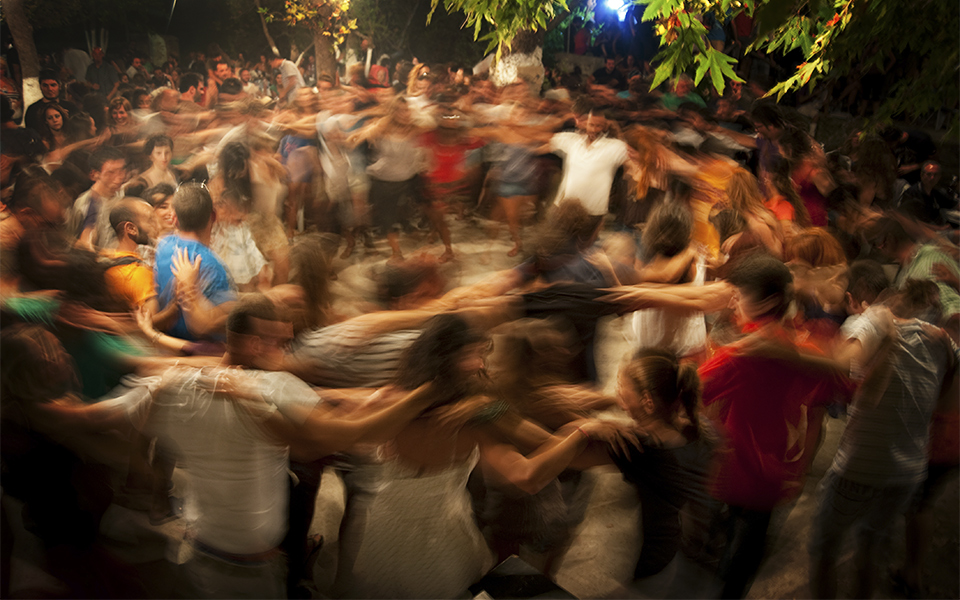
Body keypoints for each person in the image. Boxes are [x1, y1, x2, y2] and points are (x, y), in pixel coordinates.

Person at [698, 253, 854, 598]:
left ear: (768, 300)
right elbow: (845, 385)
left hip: (739, 466)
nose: (733, 301)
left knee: (733, 558)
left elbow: (686, 390)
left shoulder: (745, 352)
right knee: (746, 549)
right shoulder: (798, 342)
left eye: (740, 294)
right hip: (777, 469)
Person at [810, 280, 959, 599]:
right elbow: (948, 398)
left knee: (824, 548)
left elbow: (841, 362)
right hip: (909, 471)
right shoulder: (939, 337)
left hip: (860, 465)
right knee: (871, 545)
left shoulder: (873, 320)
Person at [153, 182, 237, 341]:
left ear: (174, 218)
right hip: (199, 350)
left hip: (165, 339)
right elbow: (220, 327)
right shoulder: (215, 266)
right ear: (213, 216)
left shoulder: (163, 246)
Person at [69, 145, 127, 250]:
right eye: (111, 172)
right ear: (94, 175)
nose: (120, 177)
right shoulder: (87, 205)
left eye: (121, 170)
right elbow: (85, 245)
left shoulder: (120, 193)